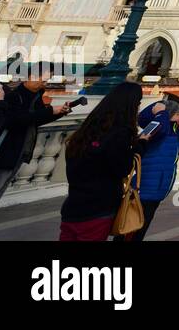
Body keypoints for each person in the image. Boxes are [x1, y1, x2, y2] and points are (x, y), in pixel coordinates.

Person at [60, 83, 149, 241]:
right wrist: (140, 146)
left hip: (73, 206)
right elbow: (122, 168)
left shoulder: (87, 130)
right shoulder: (120, 133)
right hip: (98, 208)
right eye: (138, 103)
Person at [0, 77, 72, 224]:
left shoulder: (34, 98)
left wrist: (57, 112)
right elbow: (6, 123)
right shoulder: (12, 96)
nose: (45, 83)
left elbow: (34, 119)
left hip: (11, 156)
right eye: (42, 78)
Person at [119, 98, 179, 240]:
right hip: (145, 189)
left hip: (156, 189)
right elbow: (144, 118)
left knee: (138, 226)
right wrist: (163, 112)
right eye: (177, 113)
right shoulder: (157, 129)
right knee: (132, 227)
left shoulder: (170, 133)